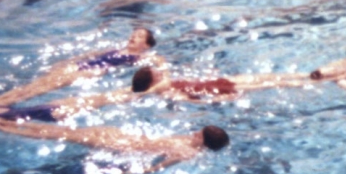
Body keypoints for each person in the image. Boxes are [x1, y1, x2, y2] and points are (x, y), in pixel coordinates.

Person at [0, 114, 229, 172]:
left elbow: (158, 167)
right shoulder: (191, 142)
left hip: (121, 146)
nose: (195, 132)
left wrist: (134, 170)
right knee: (66, 130)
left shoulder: (188, 152)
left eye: (200, 133)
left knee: (60, 134)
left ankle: (2, 125)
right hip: (122, 137)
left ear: (204, 142)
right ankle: (9, 122)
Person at [0, 27, 159, 106]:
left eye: (139, 36)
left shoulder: (139, 57)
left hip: (86, 73)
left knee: (42, 88)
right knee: (35, 84)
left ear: (146, 45)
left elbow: (158, 61)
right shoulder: (114, 49)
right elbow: (89, 55)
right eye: (134, 34)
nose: (133, 36)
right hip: (77, 66)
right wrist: (66, 63)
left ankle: (0, 104)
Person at [130, 66, 311, 100]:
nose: (161, 72)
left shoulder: (166, 84)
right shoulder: (165, 91)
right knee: (271, 84)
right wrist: (222, 100)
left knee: (268, 76)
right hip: (219, 89)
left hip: (217, 82)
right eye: (157, 74)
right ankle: (321, 80)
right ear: (153, 80)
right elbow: (190, 101)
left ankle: (310, 75)